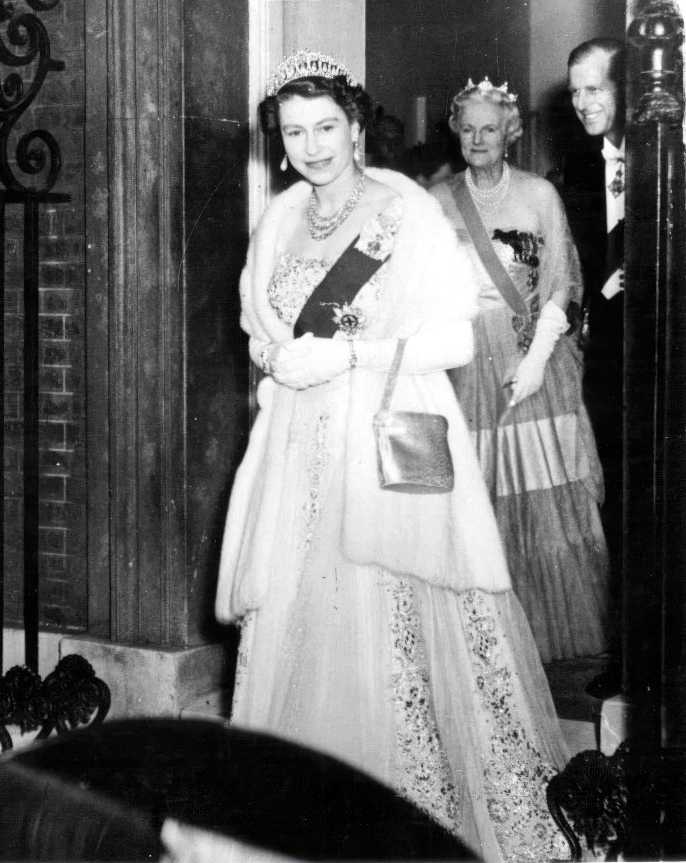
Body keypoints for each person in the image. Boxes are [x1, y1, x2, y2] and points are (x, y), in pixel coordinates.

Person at [216, 50, 570, 862]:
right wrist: (279, 359)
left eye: (326, 128)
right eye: (294, 131)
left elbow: (451, 337)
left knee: (390, 619)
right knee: (302, 615)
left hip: (380, 436)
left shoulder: (402, 210)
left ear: (354, 125)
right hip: (296, 446)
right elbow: (256, 322)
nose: (310, 147)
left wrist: (347, 357)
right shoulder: (277, 218)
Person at [428, 80, 609, 664]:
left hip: (531, 361)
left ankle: (542, 635)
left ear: (511, 133)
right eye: (468, 128)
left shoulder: (538, 196)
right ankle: (485, 638)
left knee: (539, 494)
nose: (478, 139)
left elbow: (565, 280)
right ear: (456, 132)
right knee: (477, 495)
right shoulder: (435, 199)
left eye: (490, 128)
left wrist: (535, 362)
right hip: (462, 366)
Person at [564, 37, 626, 696]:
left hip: (666, 354)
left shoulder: (672, 158)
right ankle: (633, 659)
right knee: (622, 510)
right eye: (576, 90)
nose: (583, 103)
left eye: (596, 89)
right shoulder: (579, 173)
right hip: (607, 368)